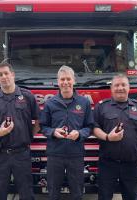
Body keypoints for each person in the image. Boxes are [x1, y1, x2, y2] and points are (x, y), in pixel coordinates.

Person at [0, 62, 40, 200]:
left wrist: (28, 135)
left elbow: (38, 121)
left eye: (6, 73)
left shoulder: (27, 96)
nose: (4, 77)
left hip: (22, 154)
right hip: (0, 155)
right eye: (0, 74)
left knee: (26, 193)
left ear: (13, 75)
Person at [93, 73, 137, 200]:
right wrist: (108, 137)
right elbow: (94, 128)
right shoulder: (101, 106)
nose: (120, 88)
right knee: (104, 197)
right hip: (108, 164)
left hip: (131, 164)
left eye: (123, 85)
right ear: (111, 88)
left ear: (129, 87)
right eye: (117, 85)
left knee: (133, 197)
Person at [40, 65, 94, 200]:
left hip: (76, 154)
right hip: (55, 155)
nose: (65, 82)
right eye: (62, 79)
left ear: (74, 80)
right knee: (53, 192)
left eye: (68, 79)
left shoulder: (84, 103)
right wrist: (53, 132)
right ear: (58, 81)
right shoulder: (50, 103)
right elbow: (43, 126)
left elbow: (90, 127)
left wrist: (80, 134)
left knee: (77, 192)